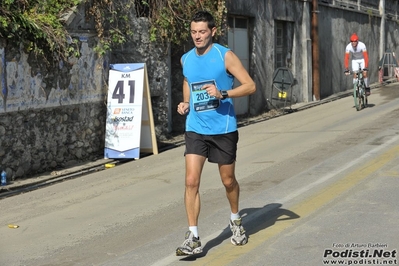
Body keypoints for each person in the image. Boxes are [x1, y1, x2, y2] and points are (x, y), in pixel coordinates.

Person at [175, 10, 256, 256]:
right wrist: (186, 102)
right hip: (195, 128)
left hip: (223, 129)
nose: (197, 36)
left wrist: (223, 94)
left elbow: (250, 85)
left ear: (212, 31)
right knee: (191, 181)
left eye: (202, 32)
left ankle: (235, 220)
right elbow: (188, 81)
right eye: (193, 32)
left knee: (228, 181)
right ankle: (193, 236)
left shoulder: (225, 56)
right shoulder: (186, 58)